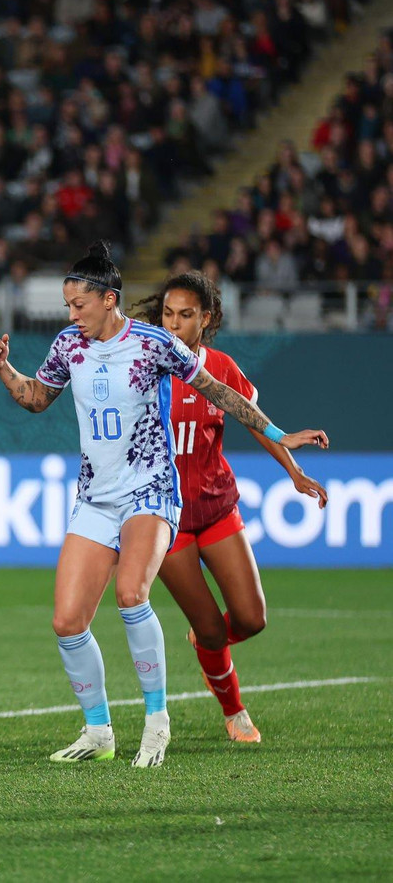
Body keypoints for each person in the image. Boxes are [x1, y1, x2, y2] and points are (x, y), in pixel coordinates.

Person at [0, 241, 327, 767]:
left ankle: (156, 722)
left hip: (151, 490)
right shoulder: (69, 345)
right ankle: (98, 732)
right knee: (67, 621)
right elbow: (35, 399)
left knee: (130, 594)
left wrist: (282, 435)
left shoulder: (151, 345)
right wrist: (5, 369)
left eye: (79, 304)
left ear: (109, 299)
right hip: (96, 496)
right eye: (68, 306)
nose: (71, 314)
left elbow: (220, 392)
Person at [134, 272, 328, 743]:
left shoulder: (218, 367)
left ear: (207, 318)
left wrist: (293, 470)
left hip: (218, 506)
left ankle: (207, 645)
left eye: (185, 316)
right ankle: (234, 710)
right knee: (212, 630)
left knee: (250, 618)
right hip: (167, 518)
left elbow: (252, 419)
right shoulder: (143, 366)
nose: (174, 325)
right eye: (167, 314)